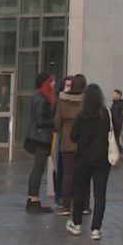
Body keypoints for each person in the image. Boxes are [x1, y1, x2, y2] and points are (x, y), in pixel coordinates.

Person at [65, 84, 117, 240]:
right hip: (102, 160)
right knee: (100, 194)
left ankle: (77, 223)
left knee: (80, 191)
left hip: (83, 159)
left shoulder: (81, 116)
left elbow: (73, 137)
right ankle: (96, 229)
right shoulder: (106, 114)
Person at [53, 75, 87, 215]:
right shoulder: (85, 102)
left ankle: (66, 205)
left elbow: (57, 121)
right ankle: (83, 205)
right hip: (83, 142)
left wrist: (64, 133)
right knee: (83, 175)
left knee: (68, 174)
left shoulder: (63, 101)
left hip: (67, 141)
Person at [23, 74, 57, 213]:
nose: (54, 83)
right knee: (38, 169)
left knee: (38, 169)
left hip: (40, 137)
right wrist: (55, 122)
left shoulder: (40, 97)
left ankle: (32, 198)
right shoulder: (41, 99)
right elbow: (41, 120)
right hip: (41, 138)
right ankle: (33, 199)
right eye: (52, 81)